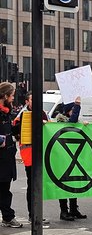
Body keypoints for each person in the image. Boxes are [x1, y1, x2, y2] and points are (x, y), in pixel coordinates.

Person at [13, 92, 50, 224]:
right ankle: (32, 214)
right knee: (32, 184)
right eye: (32, 99)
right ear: (27, 102)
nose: (35, 101)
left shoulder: (43, 113)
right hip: (29, 154)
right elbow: (15, 130)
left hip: (41, 153)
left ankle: (37, 213)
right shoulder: (22, 115)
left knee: (38, 184)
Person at [56, 97, 87, 221]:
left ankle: (74, 209)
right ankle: (64, 211)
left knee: (74, 183)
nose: (75, 111)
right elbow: (72, 123)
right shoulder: (60, 121)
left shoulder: (74, 121)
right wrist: (77, 105)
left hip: (73, 155)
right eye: (73, 109)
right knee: (64, 185)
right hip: (63, 157)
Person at [0, 82, 22, 228]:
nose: (13, 98)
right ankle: (8, 217)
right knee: (3, 190)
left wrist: (21, 126)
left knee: (5, 189)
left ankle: (7, 217)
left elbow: (10, 131)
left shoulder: (7, 112)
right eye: (12, 95)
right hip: (1, 157)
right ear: (5, 95)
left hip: (7, 156)